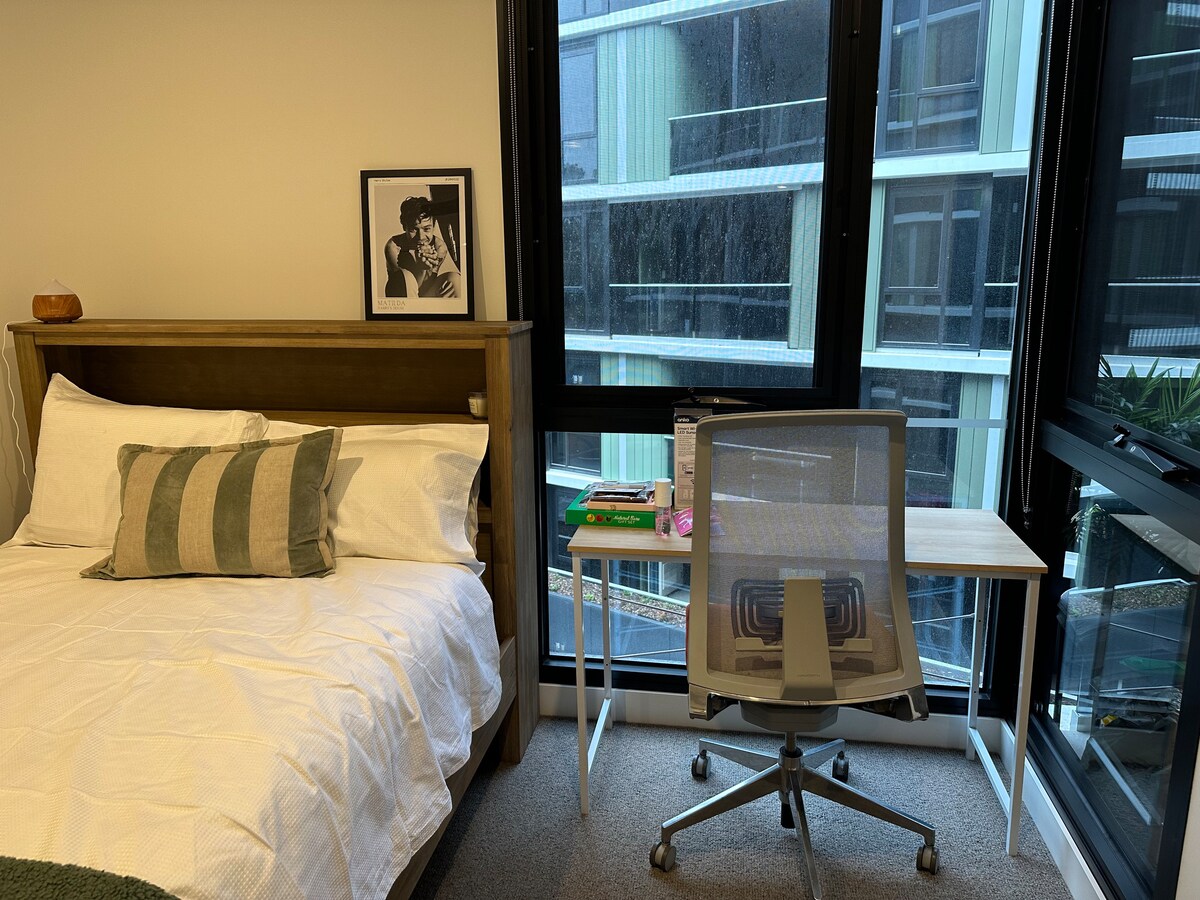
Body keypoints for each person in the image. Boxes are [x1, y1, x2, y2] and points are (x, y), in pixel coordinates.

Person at [384, 196, 461, 298]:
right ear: (404, 226)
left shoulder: (439, 247)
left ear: (434, 225)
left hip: (424, 294)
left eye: (427, 229)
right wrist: (420, 269)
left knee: (454, 279)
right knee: (405, 276)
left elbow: (425, 288)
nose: (420, 237)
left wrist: (425, 269)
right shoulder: (393, 246)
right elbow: (404, 285)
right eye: (413, 230)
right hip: (402, 297)